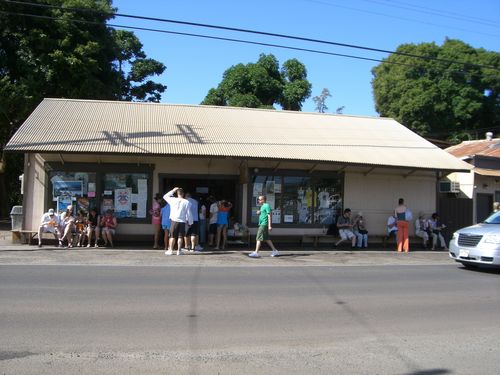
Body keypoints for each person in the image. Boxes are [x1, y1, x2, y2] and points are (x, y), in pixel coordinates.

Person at [163, 187, 193, 255]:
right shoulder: (187, 202)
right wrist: (190, 222)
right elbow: (189, 213)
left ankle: (170, 250)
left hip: (174, 221)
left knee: (172, 236)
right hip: (182, 221)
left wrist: (173, 190)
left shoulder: (173, 200)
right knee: (180, 237)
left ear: (177, 193)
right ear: (183, 194)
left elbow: (165, 196)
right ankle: (179, 251)